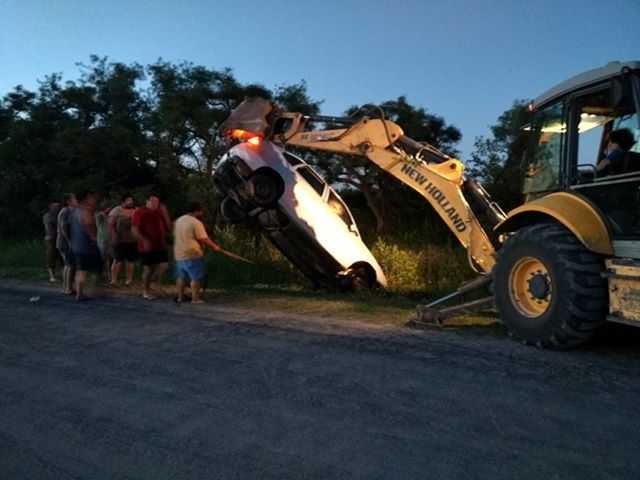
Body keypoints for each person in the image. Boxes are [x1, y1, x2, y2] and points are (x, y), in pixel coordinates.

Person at [173, 202, 221, 304]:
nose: (202, 213)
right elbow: (204, 238)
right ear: (197, 211)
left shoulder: (178, 220)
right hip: (192, 253)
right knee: (196, 277)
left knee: (181, 276)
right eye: (201, 211)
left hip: (179, 253)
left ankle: (180, 297)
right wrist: (215, 247)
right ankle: (195, 298)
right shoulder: (196, 223)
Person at [132, 193, 171, 300]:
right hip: (146, 246)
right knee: (148, 268)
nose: (155, 204)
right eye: (153, 202)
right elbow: (134, 230)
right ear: (147, 201)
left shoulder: (159, 211)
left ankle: (155, 283)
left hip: (160, 245)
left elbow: (168, 226)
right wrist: (144, 240)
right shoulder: (140, 212)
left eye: (157, 202)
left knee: (164, 265)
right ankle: (146, 291)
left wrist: (165, 212)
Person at [69, 189, 102, 301]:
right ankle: (84, 292)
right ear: (86, 198)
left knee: (82, 269)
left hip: (77, 244)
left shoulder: (75, 210)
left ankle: (84, 291)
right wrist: (93, 236)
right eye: (92, 198)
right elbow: (86, 223)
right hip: (86, 244)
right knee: (87, 269)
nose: (94, 200)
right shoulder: (84, 211)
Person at [108, 193, 138, 286]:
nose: (130, 202)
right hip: (120, 239)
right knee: (118, 260)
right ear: (123, 201)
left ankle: (129, 280)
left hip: (132, 240)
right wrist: (113, 235)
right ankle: (113, 280)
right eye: (128, 200)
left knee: (131, 260)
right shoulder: (116, 211)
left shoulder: (136, 210)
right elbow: (110, 224)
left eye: (131, 200)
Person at [57, 193, 78, 295]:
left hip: (63, 241)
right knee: (71, 265)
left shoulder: (67, 211)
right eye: (74, 199)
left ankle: (65, 287)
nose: (76, 200)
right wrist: (69, 241)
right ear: (68, 201)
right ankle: (69, 288)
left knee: (67, 265)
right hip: (65, 242)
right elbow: (63, 227)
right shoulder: (66, 212)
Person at [43, 200, 61, 282]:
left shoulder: (58, 215)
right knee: (51, 255)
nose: (57, 208)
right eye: (55, 206)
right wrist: (56, 234)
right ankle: (52, 275)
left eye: (58, 206)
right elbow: (48, 228)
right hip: (51, 238)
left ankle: (57, 273)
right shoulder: (48, 216)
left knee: (59, 255)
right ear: (50, 207)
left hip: (59, 237)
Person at [95, 199, 114, 283]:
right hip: (102, 240)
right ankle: (97, 276)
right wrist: (104, 212)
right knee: (101, 259)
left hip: (110, 240)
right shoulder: (100, 215)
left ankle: (110, 276)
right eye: (109, 207)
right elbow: (97, 216)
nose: (110, 209)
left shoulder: (111, 216)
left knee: (111, 259)